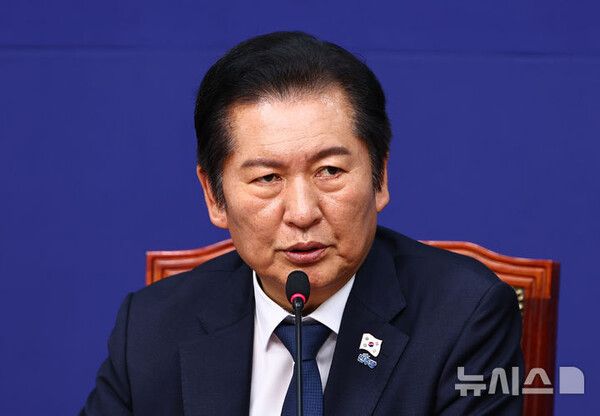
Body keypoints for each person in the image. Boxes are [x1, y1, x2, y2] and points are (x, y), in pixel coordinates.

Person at [81, 31, 523, 415]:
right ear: (214, 196)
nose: (302, 212)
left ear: (380, 178)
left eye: (329, 171)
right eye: (268, 178)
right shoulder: (152, 327)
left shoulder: (464, 317)